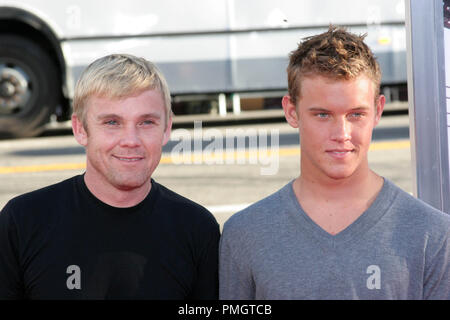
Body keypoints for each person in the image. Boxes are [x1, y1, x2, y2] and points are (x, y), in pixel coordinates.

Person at [219, 26, 450, 300]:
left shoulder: (431, 235)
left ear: (377, 110)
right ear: (291, 112)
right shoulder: (246, 234)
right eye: (322, 115)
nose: (341, 134)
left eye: (355, 114)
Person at [0, 54, 220, 299]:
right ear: (80, 129)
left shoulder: (197, 229)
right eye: (112, 122)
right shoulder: (23, 221)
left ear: (167, 129)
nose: (130, 141)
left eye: (146, 122)